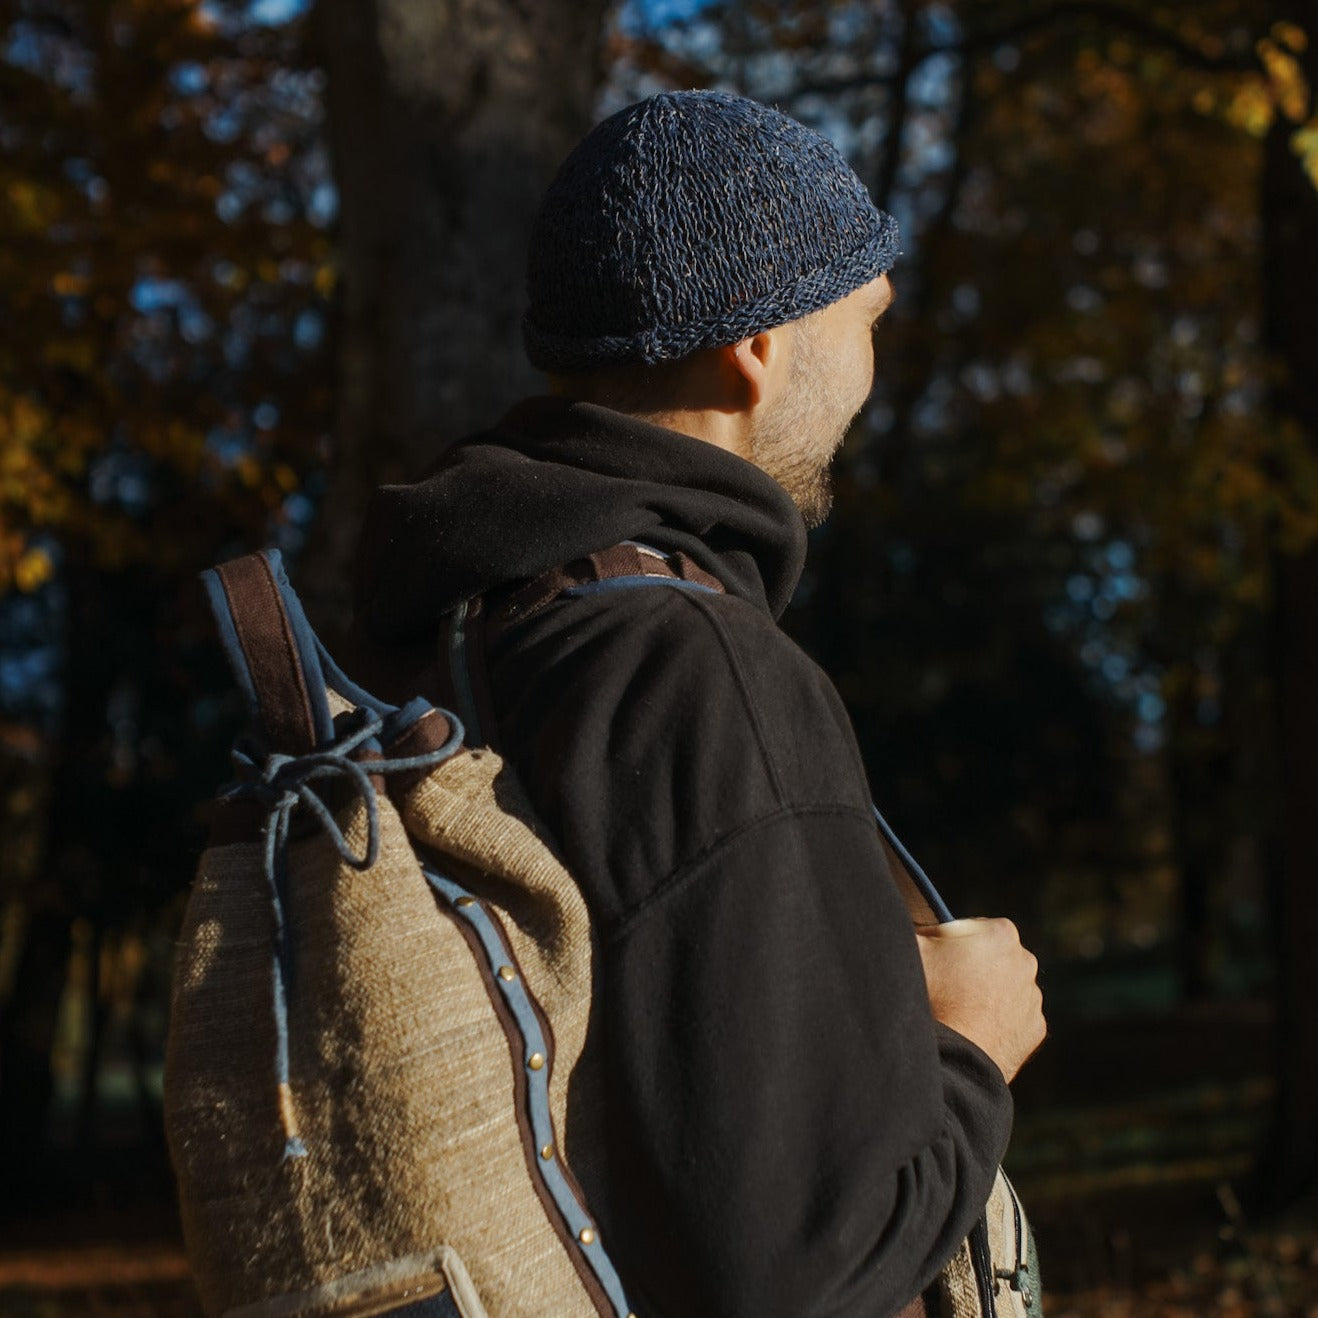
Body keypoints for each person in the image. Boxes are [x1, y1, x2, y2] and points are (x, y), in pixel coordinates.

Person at [350, 89, 1046, 1318]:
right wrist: (971, 1050)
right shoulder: (694, 670)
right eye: (865, 319)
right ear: (760, 347)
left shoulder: (460, 632)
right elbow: (790, 1274)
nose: (873, 367)